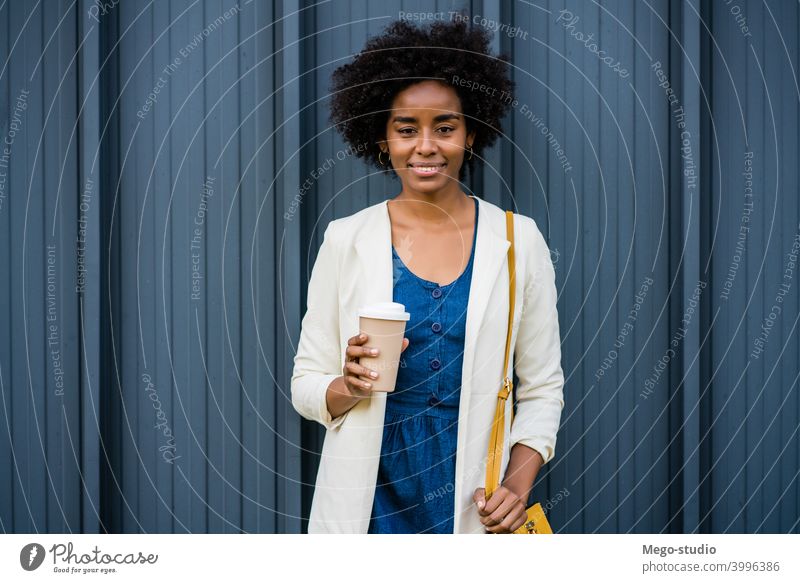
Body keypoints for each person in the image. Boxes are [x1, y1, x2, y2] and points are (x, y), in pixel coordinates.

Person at [291, 17, 564, 534]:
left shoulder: (518, 240)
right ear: (381, 139)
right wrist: (347, 385)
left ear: (471, 134)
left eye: (445, 126)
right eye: (406, 129)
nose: (426, 146)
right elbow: (305, 385)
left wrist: (516, 487)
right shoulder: (345, 239)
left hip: (471, 500)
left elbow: (542, 388)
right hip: (366, 503)